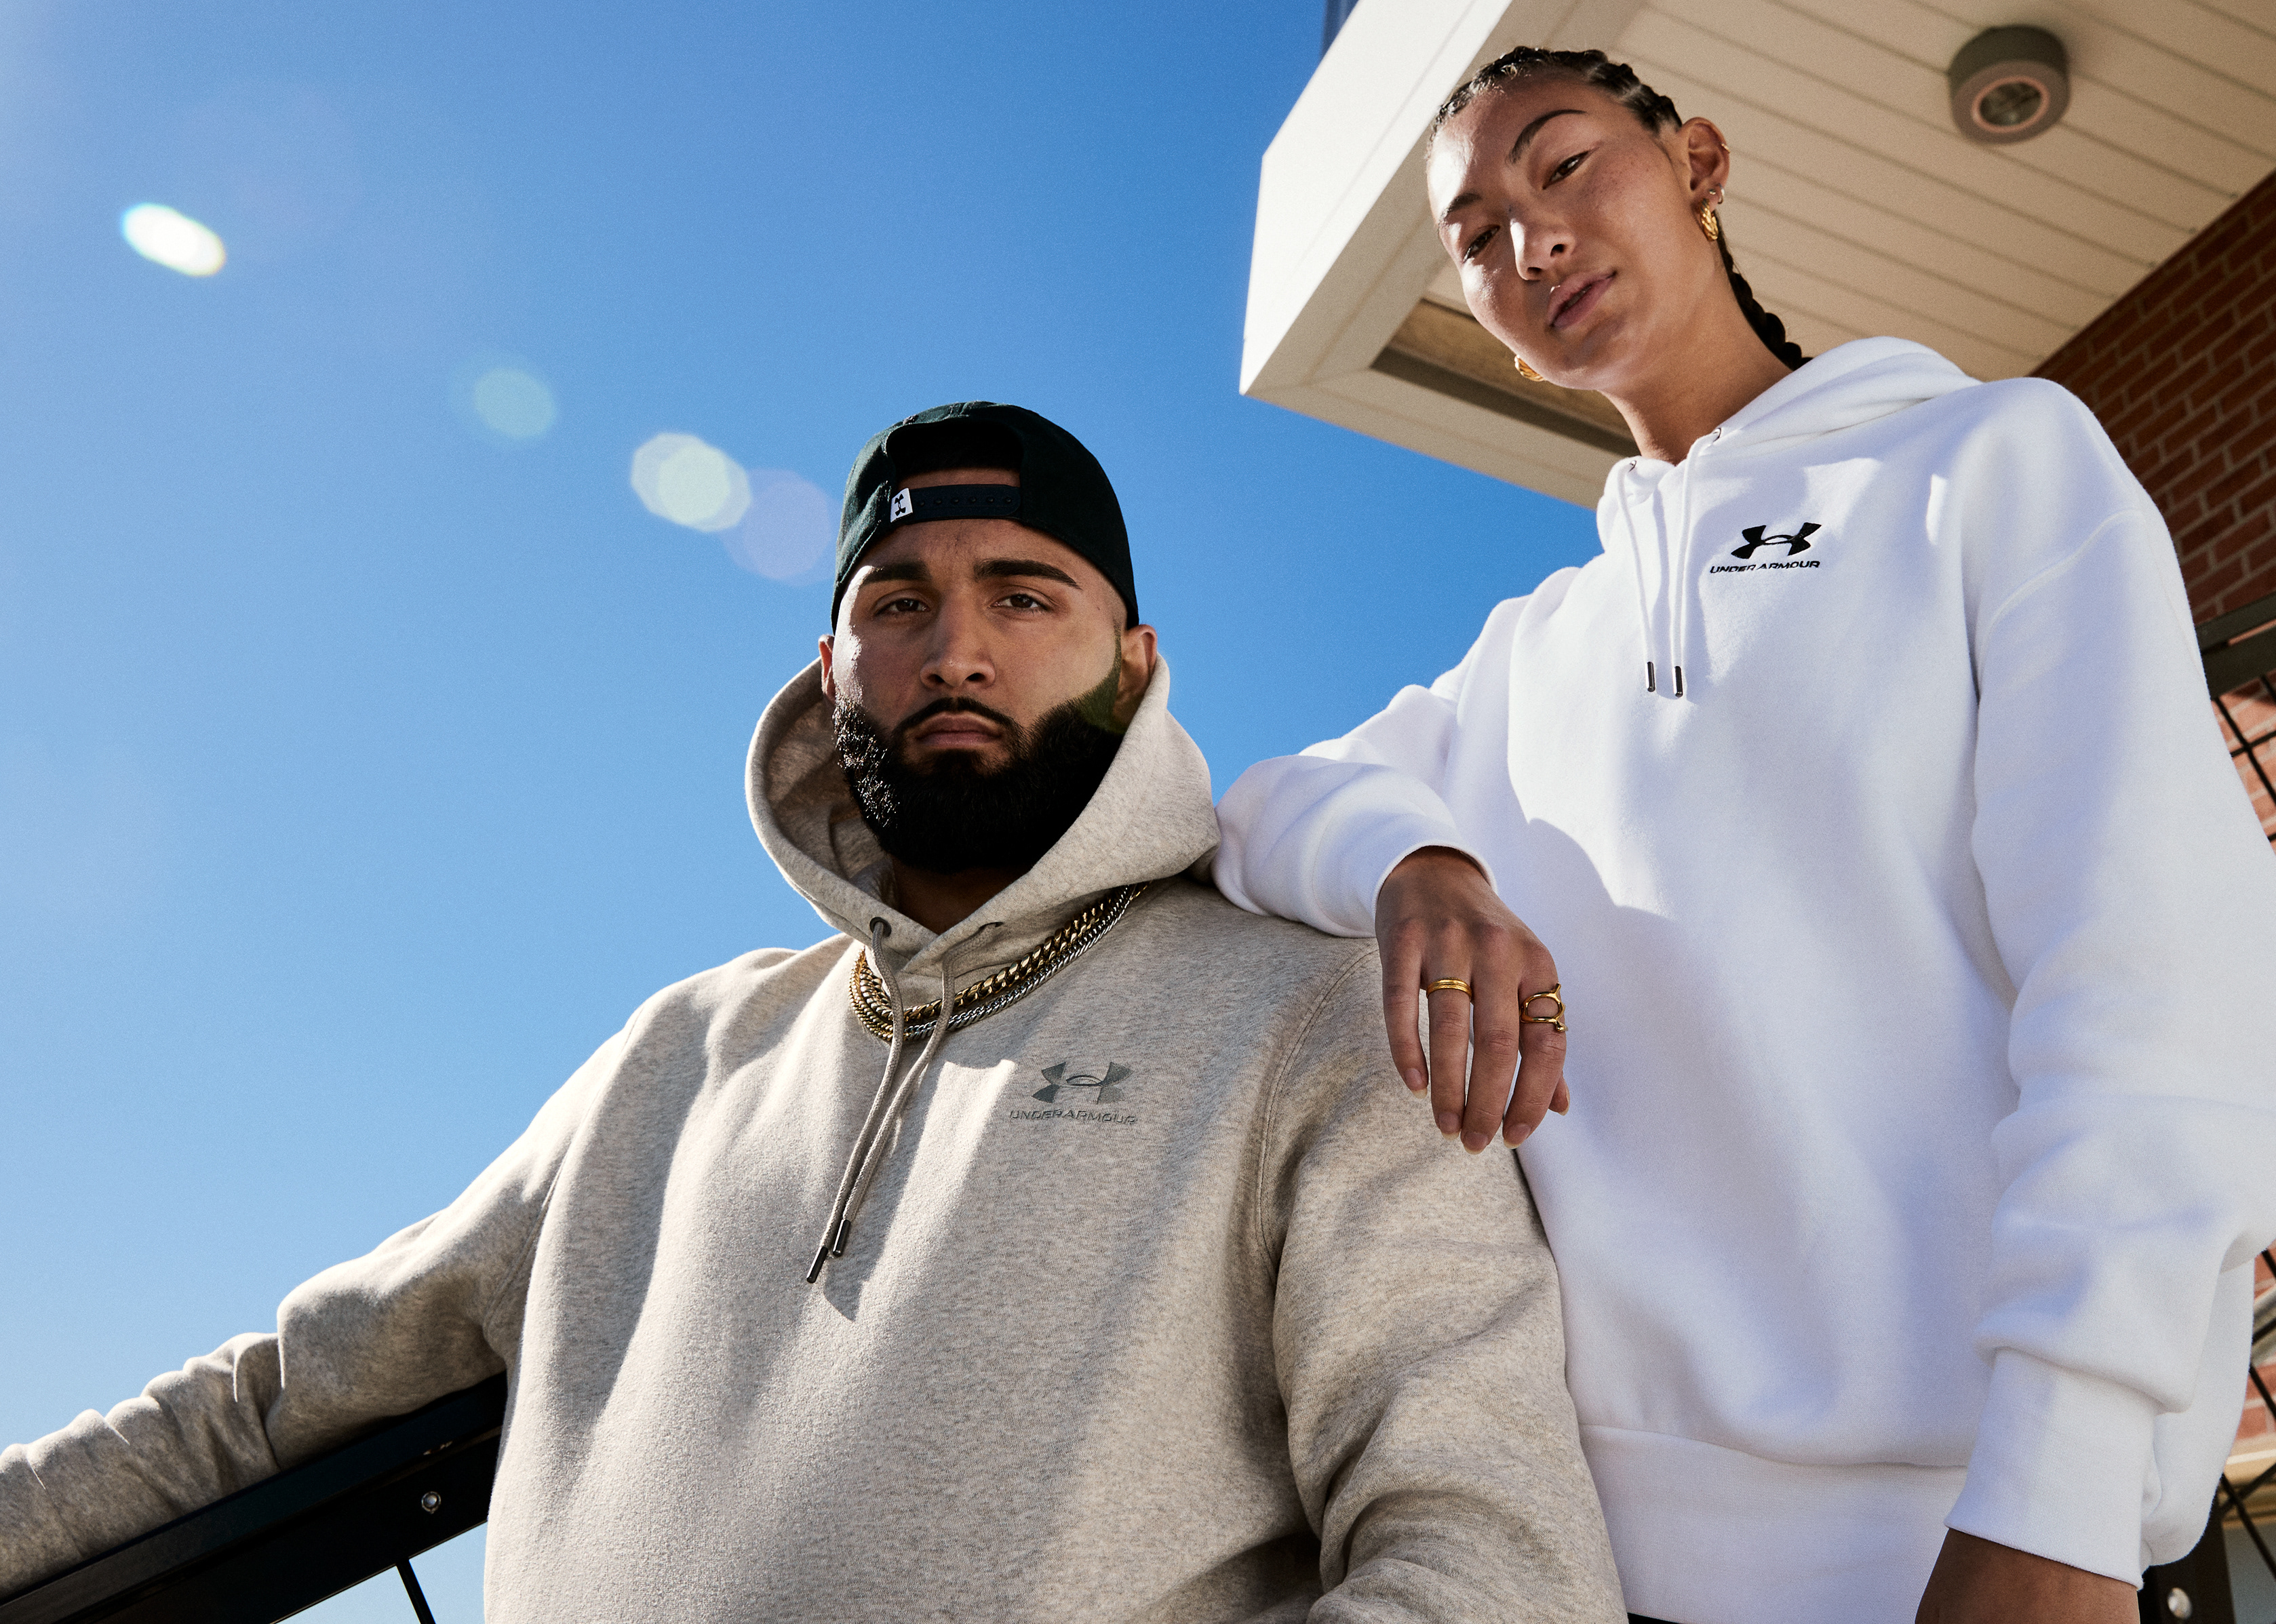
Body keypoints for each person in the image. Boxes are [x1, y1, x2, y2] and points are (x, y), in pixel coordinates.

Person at [0, 401, 1626, 1623]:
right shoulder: (681, 1053)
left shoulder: (1327, 1021)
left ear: (1135, 663)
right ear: (832, 663)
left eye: (1025, 596)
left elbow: (1494, 1569)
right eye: (898, 603)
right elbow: (274, 1404)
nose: (957, 648)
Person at [1213, 49, 2276, 1624]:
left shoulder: (1989, 464)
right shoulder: (1533, 650)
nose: (1530, 240)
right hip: (1600, 1567)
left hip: (1988, 1540)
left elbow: (2165, 973)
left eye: (1564, 165)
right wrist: (1421, 866)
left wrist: (2061, 1489)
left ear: (1700, 165)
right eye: (1475, 236)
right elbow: (1261, 804)